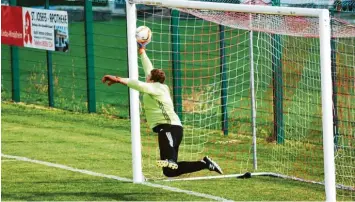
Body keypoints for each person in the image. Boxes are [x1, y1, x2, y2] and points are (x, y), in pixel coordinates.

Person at [101, 42, 223, 177]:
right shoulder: (156, 85)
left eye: (148, 77)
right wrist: (142, 51)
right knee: (169, 171)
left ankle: (169, 158)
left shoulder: (156, 88)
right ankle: (204, 163)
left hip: (169, 127)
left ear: (151, 79)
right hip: (169, 129)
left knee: (169, 160)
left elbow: (138, 85)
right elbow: (148, 68)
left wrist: (118, 79)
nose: (146, 77)